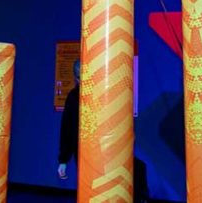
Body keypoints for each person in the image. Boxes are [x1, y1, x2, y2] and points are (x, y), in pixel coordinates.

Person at [57, 60, 149, 202]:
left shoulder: (99, 93)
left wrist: (63, 160)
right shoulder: (78, 97)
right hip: (94, 153)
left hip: (106, 152)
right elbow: (68, 129)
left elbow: (67, 130)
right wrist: (63, 159)